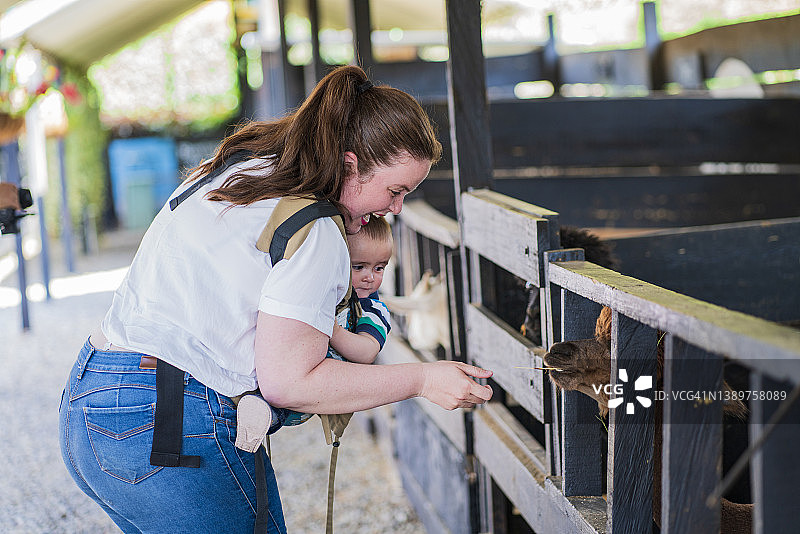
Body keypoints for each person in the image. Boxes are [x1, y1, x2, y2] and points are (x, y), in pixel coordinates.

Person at [58, 65, 493, 534]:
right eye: (395, 191)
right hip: (168, 423)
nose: (396, 209)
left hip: (93, 399)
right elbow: (292, 382)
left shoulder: (244, 169)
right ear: (349, 165)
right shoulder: (315, 229)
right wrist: (424, 380)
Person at [278, 214, 394, 427]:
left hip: (316, 391)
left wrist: (332, 329)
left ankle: (269, 414)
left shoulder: (372, 310)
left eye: (379, 268)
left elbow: (368, 351)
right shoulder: (325, 293)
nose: (370, 277)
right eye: (358, 267)